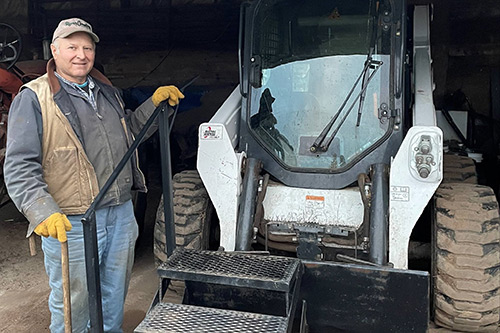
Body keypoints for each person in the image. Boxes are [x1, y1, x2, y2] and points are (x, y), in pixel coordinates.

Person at [3, 18, 184, 332]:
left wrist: (153, 107)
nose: (81, 54)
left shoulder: (107, 91)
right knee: (74, 301)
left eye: (87, 47)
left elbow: (128, 137)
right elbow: (19, 166)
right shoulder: (33, 98)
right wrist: (42, 211)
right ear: (54, 50)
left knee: (114, 291)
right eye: (72, 47)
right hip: (71, 219)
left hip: (120, 213)